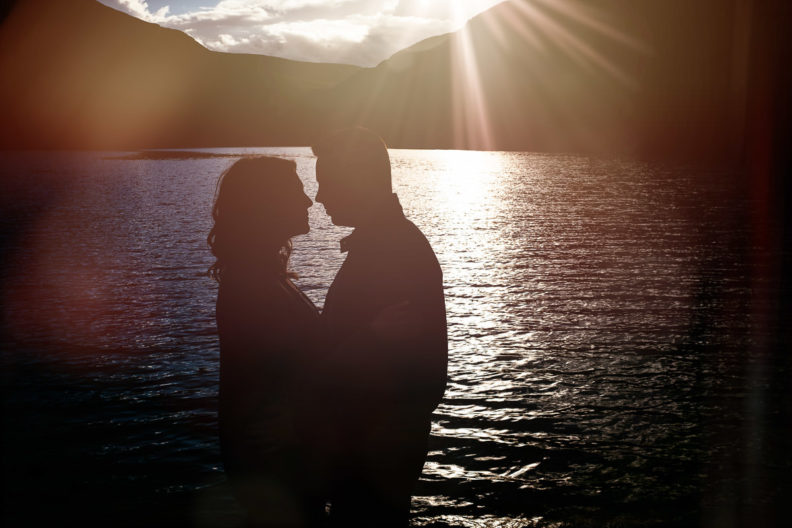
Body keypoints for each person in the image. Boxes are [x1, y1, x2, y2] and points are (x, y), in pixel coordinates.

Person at [312, 127, 448, 526]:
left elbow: (415, 375)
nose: (320, 196)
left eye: (327, 183)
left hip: (371, 460)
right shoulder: (386, 243)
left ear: (357, 181)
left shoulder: (394, 251)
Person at [208, 156, 325, 527]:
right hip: (273, 459)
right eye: (297, 192)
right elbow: (270, 373)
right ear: (267, 203)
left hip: (278, 453)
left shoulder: (262, 276)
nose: (308, 201)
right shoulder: (250, 284)